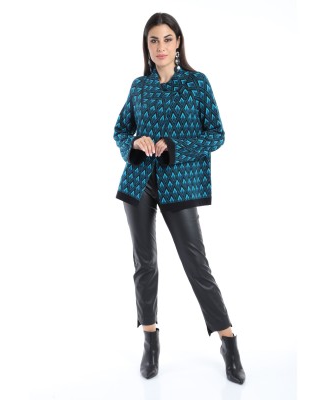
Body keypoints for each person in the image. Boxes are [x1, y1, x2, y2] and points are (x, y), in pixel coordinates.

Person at [113, 12, 245, 384]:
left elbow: (216, 135)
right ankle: (150, 340)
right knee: (145, 263)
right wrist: (133, 143)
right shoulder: (139, 86)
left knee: (195, 264)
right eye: (153, 40)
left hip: (181, 183)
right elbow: (121, 129)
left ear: (178, 43)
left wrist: (174, 146)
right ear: (147, 45)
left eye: (167, 39)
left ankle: (228, 340)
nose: (160, 47)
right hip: (139, 181)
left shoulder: (197, 83)